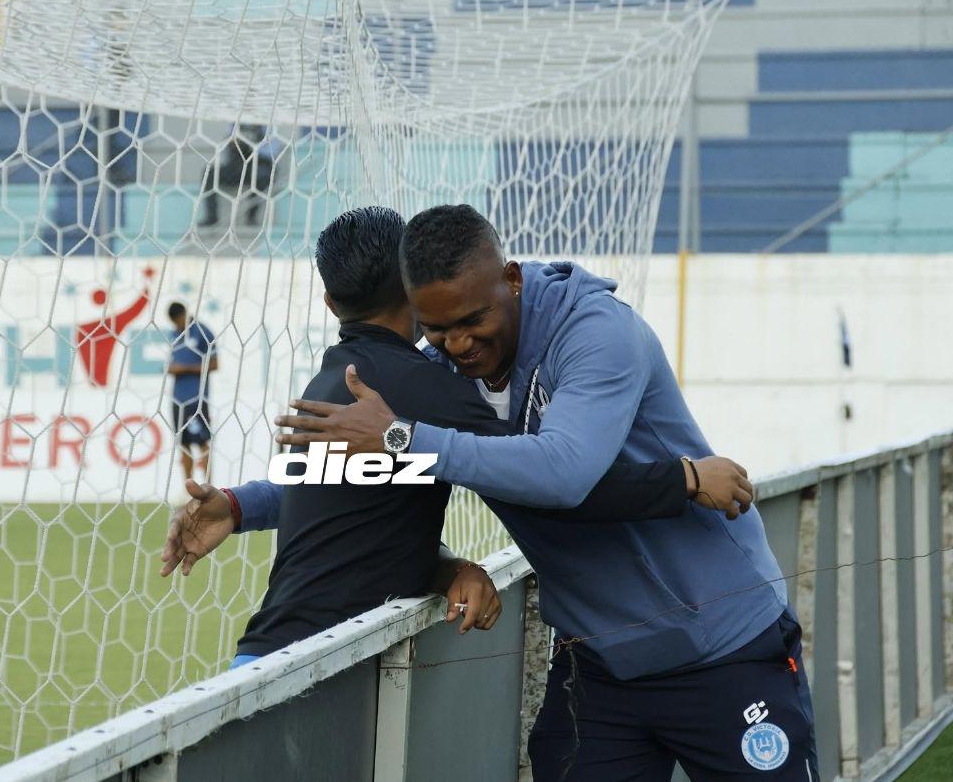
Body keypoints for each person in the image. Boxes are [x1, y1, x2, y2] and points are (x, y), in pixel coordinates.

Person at [273, 204, 818, 780]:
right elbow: (354, 473)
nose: (457, 344)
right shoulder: (438, 375)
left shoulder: (597, 331)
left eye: (472, 318)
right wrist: (238, 506)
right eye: (437, 328)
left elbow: (564, 472)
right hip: (599, 664)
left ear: (511, 279)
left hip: (722, 650)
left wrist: (403, 436)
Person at [161, 207, 755, 674]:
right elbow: (565, 482)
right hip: (335, 673)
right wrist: (685, 478)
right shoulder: (427, 389)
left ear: (328, 302)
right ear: (414, 289)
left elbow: (341, 490)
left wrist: (240, 506)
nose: (459, 342)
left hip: (260, 661)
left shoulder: (334, 383)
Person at [166, 301, 217, 485]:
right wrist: (172, 369)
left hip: (197, 399)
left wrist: (185, 368)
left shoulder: (202, 332)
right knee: (184, 444)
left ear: (184, 314)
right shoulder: (174, 335)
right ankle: (189, 489)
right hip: (177, 398)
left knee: (202, 442)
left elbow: (214, 364)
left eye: (178, 321)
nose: (177, 325)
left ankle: (209, 487)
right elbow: (172, 363)